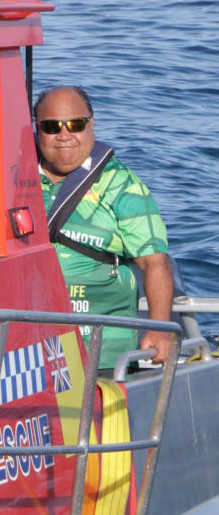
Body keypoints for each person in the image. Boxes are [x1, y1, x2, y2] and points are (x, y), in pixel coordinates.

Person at [35, 85, 174, 368]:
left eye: (75, 124)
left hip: (101, 351)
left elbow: (154, 263)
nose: (64, 135)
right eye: (51, 127)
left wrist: (159, 329)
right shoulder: (14, 176)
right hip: (31, 342)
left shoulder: (122, 186)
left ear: (91, 124)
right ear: (36, 129)